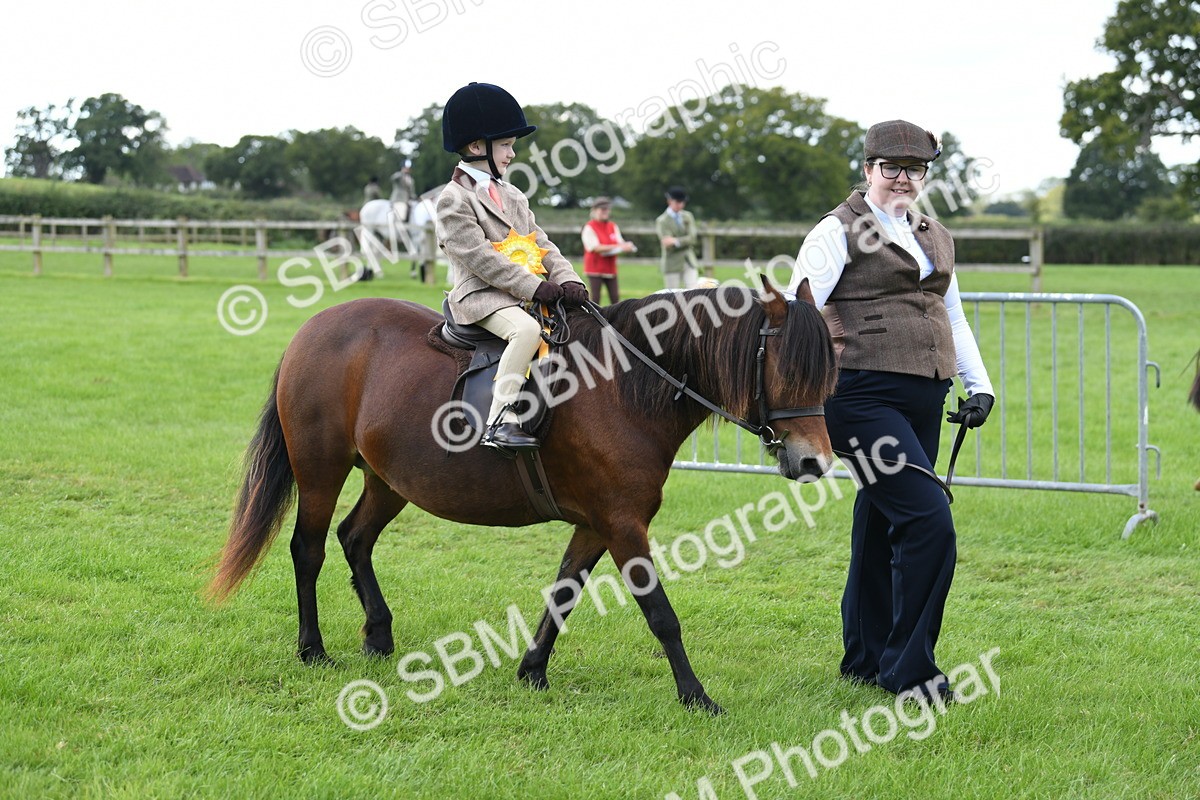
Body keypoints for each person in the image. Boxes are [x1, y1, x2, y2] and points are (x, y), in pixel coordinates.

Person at [788, 119, 995, 704]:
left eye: (915, 170)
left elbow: (951, 316)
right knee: (929, 522)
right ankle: (910, 673)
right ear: (868, 169)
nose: (903, 179)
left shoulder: (934, 234)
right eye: (891, 168)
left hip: (923, 397)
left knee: (882, 522)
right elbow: (800, 316)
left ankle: (864, 657)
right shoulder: (836, 231)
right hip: (860, 397)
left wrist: (978, 386)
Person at [436, 82, 589, 450]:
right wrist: (534, 288)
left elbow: (541, 242)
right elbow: (480, 259)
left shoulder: (512, 194)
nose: (511, 154)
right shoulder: (453, 199)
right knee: (526, 331)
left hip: (522, 292)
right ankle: (500, 421)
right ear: (477, 147)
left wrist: (570, 279)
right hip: (482, 298)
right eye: (505, 145)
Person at [580, 196, 635, 304]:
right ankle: (593, 320)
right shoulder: (589, 227)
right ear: (595, 211)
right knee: (595, 299)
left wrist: (627, 246)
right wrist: (617, 247)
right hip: (595, 268)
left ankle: (615, 321)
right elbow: (595, 248)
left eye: (607, 209)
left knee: (615, 298)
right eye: (602, 209)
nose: (605, 212)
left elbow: (619, 242)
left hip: (610, 267)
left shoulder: (612, 226)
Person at [655, 186, 699, 289]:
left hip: (689, 261)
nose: (681, 205)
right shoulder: (662, 221)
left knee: (693, 293)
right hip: (672, 263)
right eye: (678, 202)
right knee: (672, 297)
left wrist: (676, 241)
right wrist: (682, 240)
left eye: (682, 202)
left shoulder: (688, 216)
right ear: (669, 201)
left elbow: (692, 238)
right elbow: (667, 243)